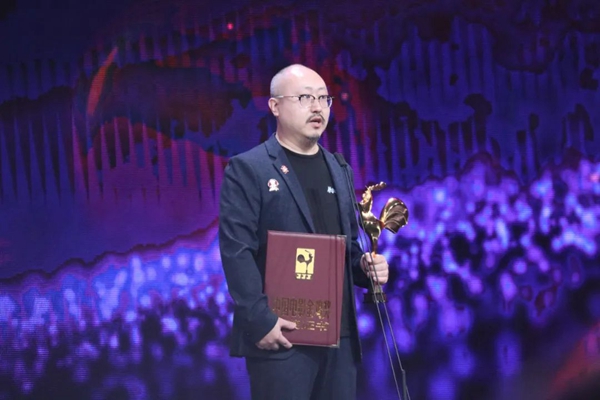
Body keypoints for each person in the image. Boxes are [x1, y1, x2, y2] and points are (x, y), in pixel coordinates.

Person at [218, 64, 390, 400]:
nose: (317, 107)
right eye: (305, 98)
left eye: (324, 99)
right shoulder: (249, 169)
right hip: (282, 335)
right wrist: (261, 321)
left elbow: (348, 248)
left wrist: (365, 267)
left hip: (338, 336)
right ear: (275, 106)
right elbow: (237, 251)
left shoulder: (339, 167)